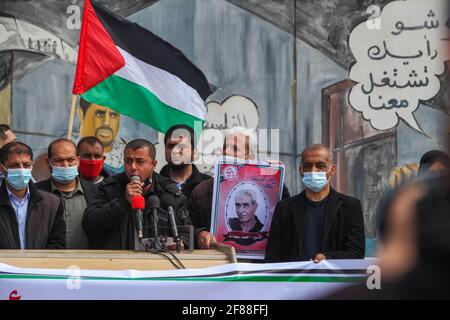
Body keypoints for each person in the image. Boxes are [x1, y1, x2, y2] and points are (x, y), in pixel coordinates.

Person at [188, 126, 290, 249]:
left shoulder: (268, 185)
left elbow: (287, 222)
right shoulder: (201, 192)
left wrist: (275, 180)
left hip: (257, 265)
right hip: (217, 263)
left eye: (235, 148)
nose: (227, 152)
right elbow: (188, 230)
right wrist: (199, 233)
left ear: (250, 157)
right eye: (225, 147)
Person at [83, 139, 192, 250]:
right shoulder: (110, 187)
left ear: (153, 164)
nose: (133, 167)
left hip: (157, 262)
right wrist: (123, 201)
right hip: (118, 261)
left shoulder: (168, 191)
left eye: (140, 161)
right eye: (128, 161)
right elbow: (90, 223)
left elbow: (187, 232)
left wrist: (181, 243)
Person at [265, 144, 365, 263]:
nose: (313, 171)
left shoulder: (350, 207)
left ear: (332, 170)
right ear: (301, 170)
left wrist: (327, 258)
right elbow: (273, 255)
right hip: (294, 280)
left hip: (335, 280)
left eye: (320, 166)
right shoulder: (284, 208)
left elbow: (356, 253)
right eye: (308, 166)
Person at [0, 141, 65, 249]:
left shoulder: (52, 203)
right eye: (14, 165)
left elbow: (57, 244)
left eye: (26, 165)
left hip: (39, 265)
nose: (21, 170)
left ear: (31, 166)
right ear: (2, 168)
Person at [35, 138, 97, 249]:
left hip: (87, 262)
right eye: (59, 160)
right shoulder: (36, 193)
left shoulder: (96, 192)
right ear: (48, 163)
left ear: (78, 161)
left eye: (70, 159)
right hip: (48, 263)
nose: (65, 165)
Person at [159, 124, 210, 198]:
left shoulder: (209, 186)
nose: (175, 150)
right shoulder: (153, 185)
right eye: (171, 146)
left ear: (194, 152)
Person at [77, 98, 124, 173]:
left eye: (113, 115)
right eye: (100, 114)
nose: (106, 122)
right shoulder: (69, 154)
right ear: (81, 114)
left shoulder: (128, 155)